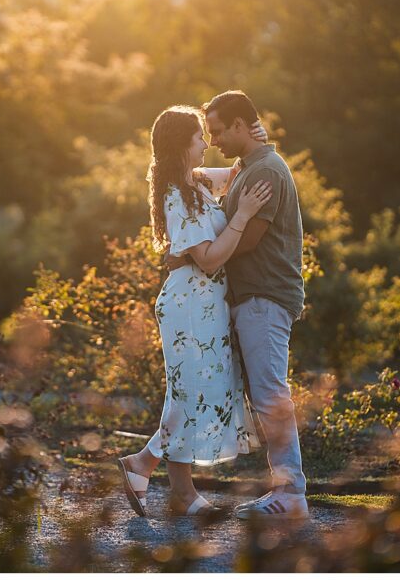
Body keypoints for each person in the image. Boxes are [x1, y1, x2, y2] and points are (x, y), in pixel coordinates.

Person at [116, 105, 270, 517]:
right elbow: (208, 259)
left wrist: (258, 135)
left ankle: (143, 466)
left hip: (205, 307)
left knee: (191, 393)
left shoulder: (195, 183)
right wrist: (241, 217)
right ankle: (175, 488)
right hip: (188, 307)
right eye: (200, 137)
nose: (207, 143)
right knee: (188, 394)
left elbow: (237, 174)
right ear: (182, 145)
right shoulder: (176, 195)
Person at [200, 89, 309, 520]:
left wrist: (203, 251)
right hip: (253, 297)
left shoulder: (267, 172)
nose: (214, 139)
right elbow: (223, 174)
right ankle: (284, 491)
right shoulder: (249, 165)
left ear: (242, 127)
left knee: (270, 395)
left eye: (219, 131)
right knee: (265, 393)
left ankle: (292, 495)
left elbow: (248, 240)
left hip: (265, 297)